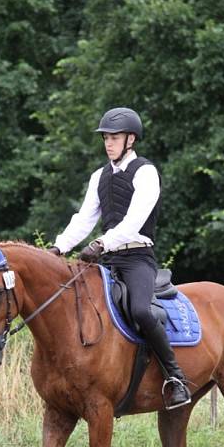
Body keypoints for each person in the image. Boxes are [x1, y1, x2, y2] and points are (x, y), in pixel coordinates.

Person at [49, 107, 191, 409]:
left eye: (114, 137)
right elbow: (83, 219)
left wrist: (101, 242)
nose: (108, 143)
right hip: (107, 261)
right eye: (105, 138)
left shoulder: (145, 172)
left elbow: (134, 220)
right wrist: (58, 248)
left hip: (137, 258)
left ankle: (175, 377)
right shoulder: (99, 176)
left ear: (131, 139)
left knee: (140, 310)